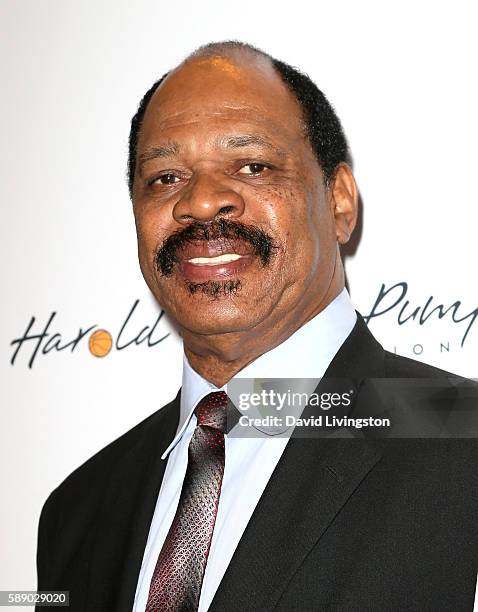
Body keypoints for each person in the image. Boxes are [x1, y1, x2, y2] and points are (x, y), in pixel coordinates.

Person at [36, 41, 478, 611]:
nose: (200, 202)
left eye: (252, 166)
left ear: (340, 202)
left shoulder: (465, 445)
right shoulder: (76, 512)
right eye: (166, 178)